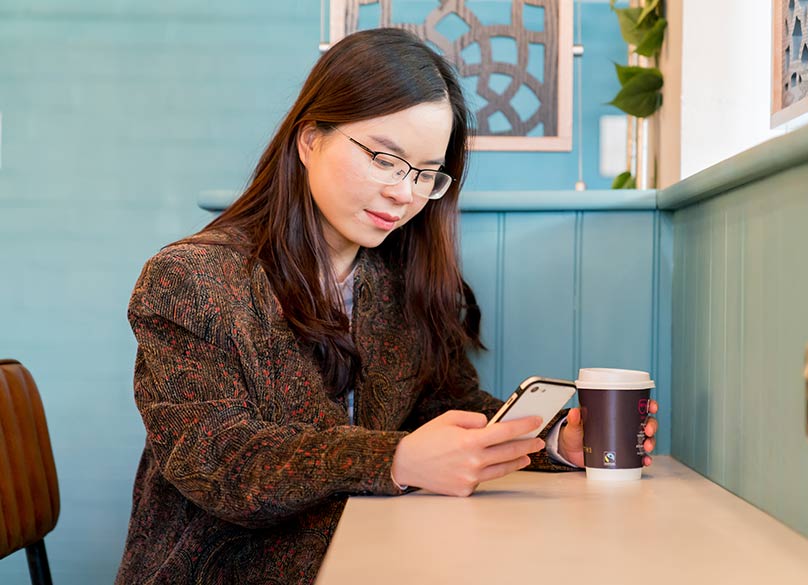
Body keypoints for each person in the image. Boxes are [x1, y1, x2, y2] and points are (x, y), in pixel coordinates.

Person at [115, 28, 659, 584]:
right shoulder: (190, 278)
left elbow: (446, 402)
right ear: (309, 141)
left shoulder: (399, 281)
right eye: (384, 157)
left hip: (370, 551)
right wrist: (395, 460)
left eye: (425, 173)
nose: (405, 193)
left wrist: (552, 441)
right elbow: (218, 459)